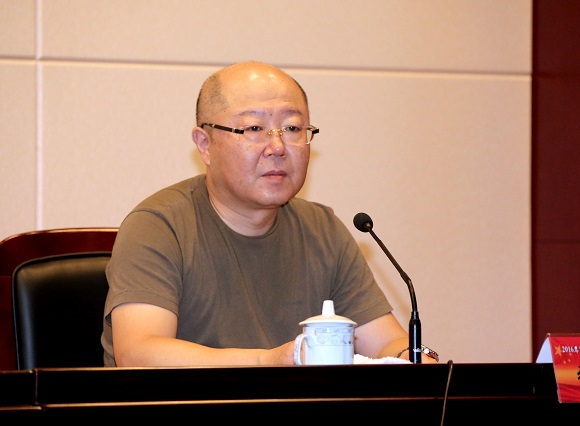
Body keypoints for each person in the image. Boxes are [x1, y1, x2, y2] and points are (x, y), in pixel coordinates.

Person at [101, 60, 437, 367]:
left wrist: (414, 361)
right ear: (205, 145)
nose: (277, 147)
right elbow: (139, 354)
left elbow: (386, 341)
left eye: (292, 129)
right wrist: (270, 361)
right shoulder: (158, 226)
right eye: (253, 129)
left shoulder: (323, 230)